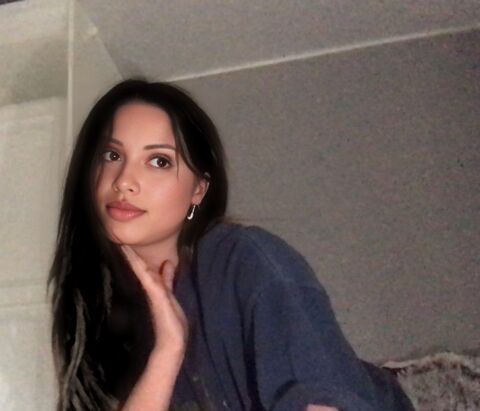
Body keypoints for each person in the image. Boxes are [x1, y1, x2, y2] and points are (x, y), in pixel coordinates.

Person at [47, 79, 413, 410]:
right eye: (112, 155)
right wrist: (168, 351)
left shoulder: (245, 259)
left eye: (159, 161)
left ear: (198, 190)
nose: (124, 180)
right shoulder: (101, 317)